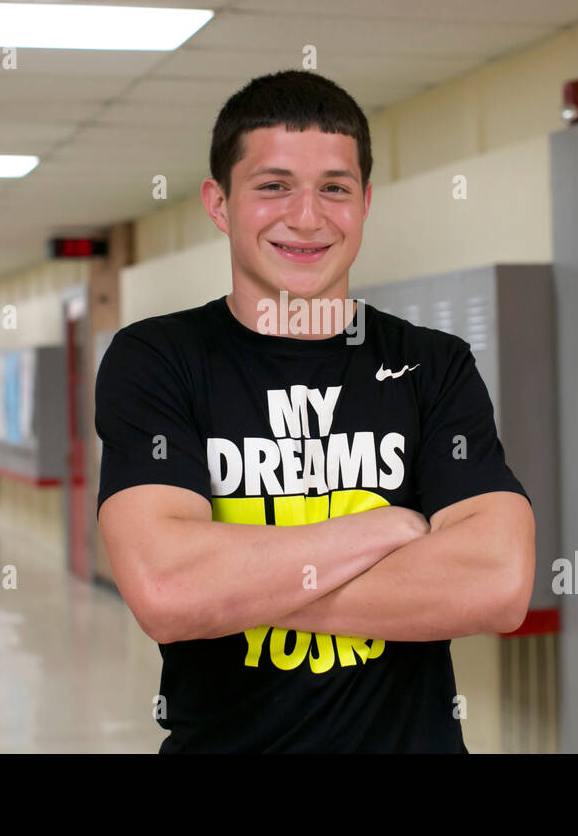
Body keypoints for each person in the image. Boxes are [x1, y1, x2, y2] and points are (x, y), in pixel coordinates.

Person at [94, 69, 535, 753]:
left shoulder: (432, 364)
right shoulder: (160, 359)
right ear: (219, 203)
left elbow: (498, 582)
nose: (307, 217)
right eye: (273, 187)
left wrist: (235, 589)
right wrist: (390, 527)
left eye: (335, 188)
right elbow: (167, 589)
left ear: (364, 203)